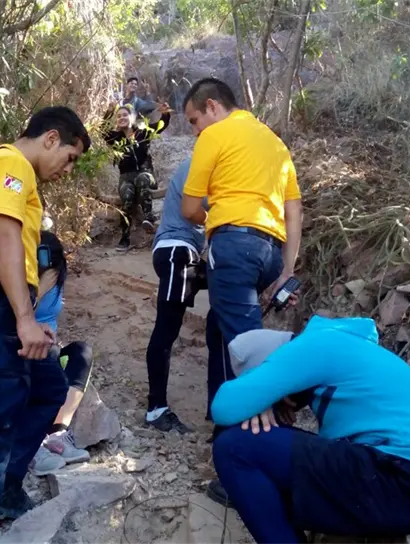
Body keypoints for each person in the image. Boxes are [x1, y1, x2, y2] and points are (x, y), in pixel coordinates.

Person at [0, 106, 90, 544]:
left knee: (49, 389)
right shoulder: (11, 164)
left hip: (1, 306)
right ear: (50, 138)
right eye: (71, 156)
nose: (68, 168)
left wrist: (29, 319)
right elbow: (4, 238)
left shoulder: (13, 170)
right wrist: (24, 319)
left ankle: (4, 488)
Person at [210, 315, 410, 543]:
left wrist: (260, 398)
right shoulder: (349, 351)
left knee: (235, 445)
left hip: (401, 479)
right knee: (277, 460)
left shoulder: (312, 346)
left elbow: (223, 408)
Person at [179, 77, 303, 502]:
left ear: (211, 107)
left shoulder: (215, 135)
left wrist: (218, 213)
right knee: (222, 329)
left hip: (233, 245)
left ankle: (256, 468)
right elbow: (293, 208)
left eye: (194, 119)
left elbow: (189, 208)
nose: (196, 129)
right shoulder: (273, 141)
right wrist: (287, 268)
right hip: (270, 254)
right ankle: (224, 415)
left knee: (247, 352)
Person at [143, 157, 209, 433]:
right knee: (166, 329)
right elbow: (200, 210)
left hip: (183, 253)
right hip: (176, 252)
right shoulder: (201, 165)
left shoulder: (202, 163)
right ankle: (155, 410)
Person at [28, 230, 94, 475]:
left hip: (50, 348)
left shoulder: (56, 276)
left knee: (81, 353)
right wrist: (39, 288)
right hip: (24, 347)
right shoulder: (20, 281)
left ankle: (57, 434)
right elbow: (13, 316)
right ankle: (30, 445)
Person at [105, 103, 172, 251]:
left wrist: (165, 113)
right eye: (119, 116)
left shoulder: (143, 132)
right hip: (126, 177)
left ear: (132, 117)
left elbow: (161, 125)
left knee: (142, 178)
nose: (122, 117)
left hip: (146, 175)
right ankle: (125, 238)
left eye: (125, 115)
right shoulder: (115, 138)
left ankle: (148, 217)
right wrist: (109, 112)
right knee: (127, 195)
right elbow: (102, 131)